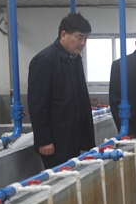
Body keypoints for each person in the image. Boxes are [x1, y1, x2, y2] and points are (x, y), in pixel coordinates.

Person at [27, 13, 96, 169]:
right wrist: (44, 140)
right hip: (56, 142)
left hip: (75, 137)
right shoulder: (44, 60)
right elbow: (37, 104)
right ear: (63, 35)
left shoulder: (75, 59)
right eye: (79, 37)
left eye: (86, 38)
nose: (83, 43)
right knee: (61, 180)